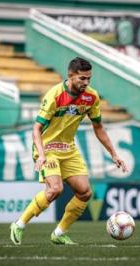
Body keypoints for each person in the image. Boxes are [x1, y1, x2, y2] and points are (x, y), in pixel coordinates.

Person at [10, 57, 127, 245]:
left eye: (89, 78)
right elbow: (36, 129)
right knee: (55, 189)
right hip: (47, 148)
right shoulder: (54, 96)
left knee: (85, 192)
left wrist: (114, 154)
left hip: (69, 149)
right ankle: (19, 224)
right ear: (70, 76)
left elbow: (99, 127)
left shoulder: (91, 97)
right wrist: (41, 154)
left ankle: (59, 233)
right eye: (82, 78)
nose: (86, 82)